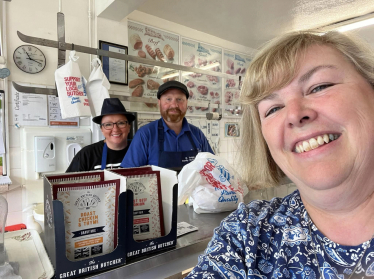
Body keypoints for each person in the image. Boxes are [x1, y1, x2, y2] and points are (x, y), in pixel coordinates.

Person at [186, 30, 374, 278]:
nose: (295, 114)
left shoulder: (196, 133)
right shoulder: (246, 237)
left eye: (319, 86)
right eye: (273, 108)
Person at [121, 80, 213, 170]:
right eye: (168, 99)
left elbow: (213, 169)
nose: (174, 105)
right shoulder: (145, 134)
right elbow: (129, 176)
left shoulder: (197, 134)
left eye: (179, 99)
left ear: (186, 103)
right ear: (159, 102)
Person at [66, 98, 135, 172]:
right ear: (102, 129)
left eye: (121, 123)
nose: (115, 129)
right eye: (108, 124)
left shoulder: (139, 150)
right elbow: (67, 182)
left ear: (129, 126)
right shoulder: (87, 154)